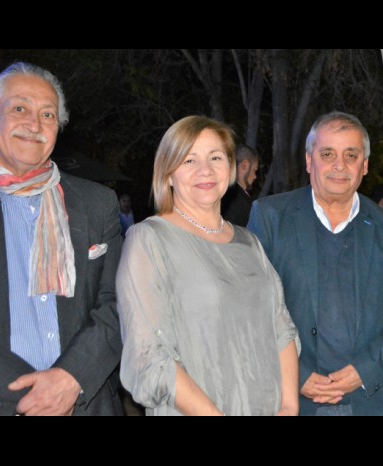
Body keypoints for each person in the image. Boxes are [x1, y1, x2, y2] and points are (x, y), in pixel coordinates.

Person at [0, 62, 123, 416]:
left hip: (83, 403)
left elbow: (117, 303)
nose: (34, 124)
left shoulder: (96, 204)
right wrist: (30, 397)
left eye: (47, 114)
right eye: (19, 108)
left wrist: (71, 378)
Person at [247, 111, 383, 416]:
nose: (339, 165)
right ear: (309, 161)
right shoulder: (270, 217)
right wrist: (295, 375)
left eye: (351, 155)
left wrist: (365, 370)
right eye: (327, 153)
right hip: (290, 401)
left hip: (367, 401)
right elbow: (249, 307)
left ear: (365, 165)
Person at [117, 116, 298, 416]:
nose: (205, 169)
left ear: (229, 168)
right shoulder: (148, 240)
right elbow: (150, 357)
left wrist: (289, 408)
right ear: (169, 174)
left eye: (216, 157)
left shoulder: (249, 243)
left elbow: (282, 329)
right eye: (189, 160)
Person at [221, 143, 259, 226]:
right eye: (254, 170)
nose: (255, 177)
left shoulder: (220, 192)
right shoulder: (239, 201)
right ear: (245, 165)